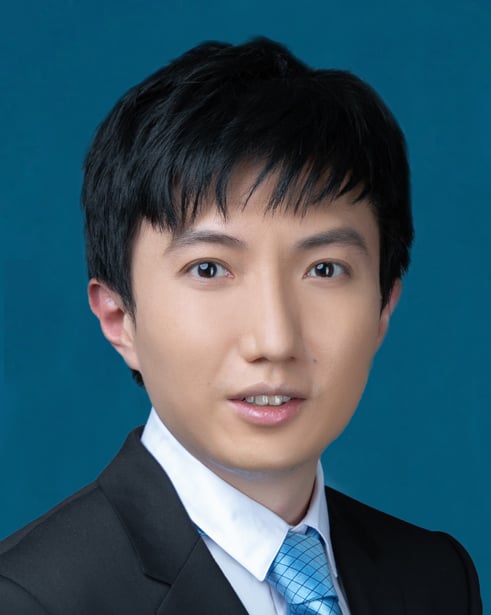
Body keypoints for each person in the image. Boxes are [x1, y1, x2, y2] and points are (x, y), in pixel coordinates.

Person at [0, 37, 482, 614]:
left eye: (325, 269)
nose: (274, 341)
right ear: (119, 316)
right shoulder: (29, 599)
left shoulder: (436, 578)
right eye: (209, 268)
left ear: (384, 307)